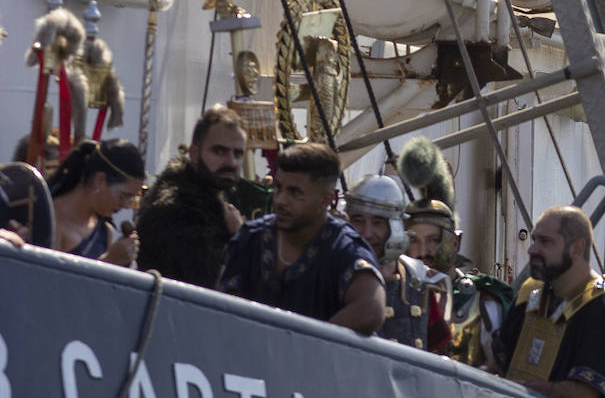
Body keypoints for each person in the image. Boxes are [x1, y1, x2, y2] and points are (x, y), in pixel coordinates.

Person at [219, 142, 385, 333]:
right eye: (278, 188)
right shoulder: (251, 238)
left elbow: (371, 309)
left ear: (326, 200)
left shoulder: (344, 250)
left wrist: (310, 342)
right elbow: (220, 303)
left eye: (295, 192)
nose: (280, 200)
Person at [498, 205, 605, 398]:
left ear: (577, 248)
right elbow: (499, 361)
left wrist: (518, 389)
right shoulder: (530, 293)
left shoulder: (604, 307)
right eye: (534, 240)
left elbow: (587, 394)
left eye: (545, 242)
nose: (532, 250)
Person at [136, 105, 246, 287]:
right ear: (194, 154)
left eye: (238, 153)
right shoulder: (176, 212)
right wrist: (240, 239)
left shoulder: (213, 203)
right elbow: (210, 287)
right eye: (219, 151)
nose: (231, 162)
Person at [345, 174, 445, 351]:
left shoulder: (419, 281)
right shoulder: (330, 273)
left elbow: (438, 352)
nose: (367, 233)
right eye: (358, 220)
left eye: (378, 222)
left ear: (399, 226)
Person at [48, 138, 143, 265]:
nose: (126, 206)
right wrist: (109, 261)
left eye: (131, 199)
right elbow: (47, 281)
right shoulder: (52, 220)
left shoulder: (105, 231)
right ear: (100, 180)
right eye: (124, 196)